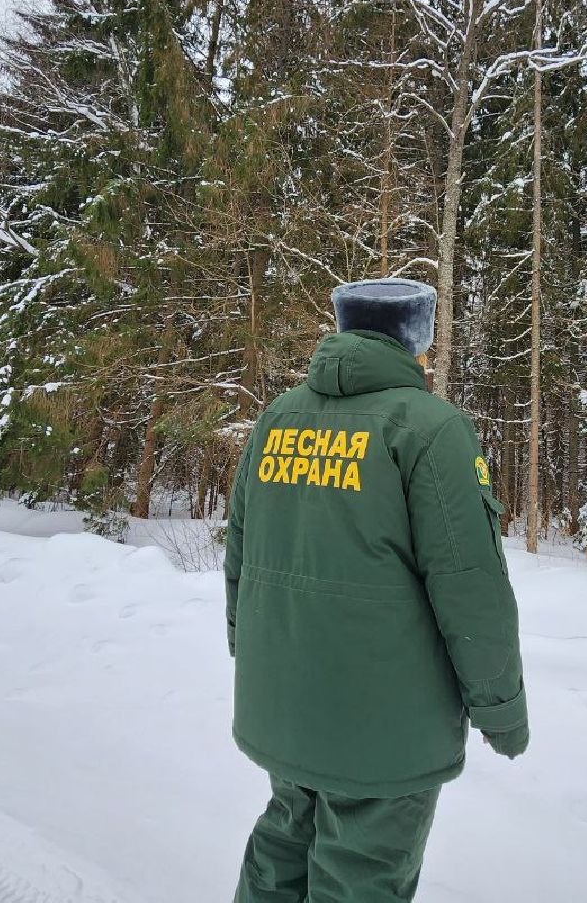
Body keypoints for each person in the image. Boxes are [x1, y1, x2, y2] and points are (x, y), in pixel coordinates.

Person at [224, 277, 528, 903]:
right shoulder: (429, 428)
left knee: (280, 855)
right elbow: (471, 589)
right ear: (417, 338)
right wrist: (503, 709)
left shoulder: (278, 417)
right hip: (385, 729)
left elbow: (240, 558)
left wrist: (250, 651)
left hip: (287, 703)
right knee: (358, 878)